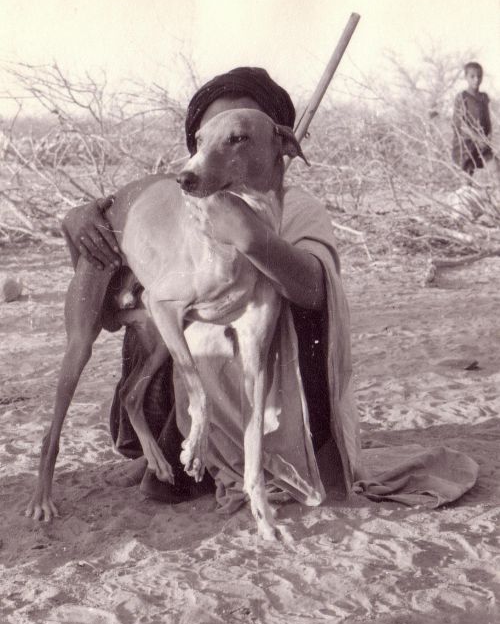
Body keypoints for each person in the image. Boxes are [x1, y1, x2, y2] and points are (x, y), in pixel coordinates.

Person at [62, 66, 478, 512]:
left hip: (274, 397)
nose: (222, 147)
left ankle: (250, 453)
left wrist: (255, 240)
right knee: (156, 298)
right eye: (208, 138)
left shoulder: (296, 206)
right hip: (200, 384)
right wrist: (81, 219)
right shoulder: (188, 204)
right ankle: (175, 437)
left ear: (275, 143)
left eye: (239, 136)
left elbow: (317, 290)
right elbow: (114, 288)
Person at [452, 61, 493, 177]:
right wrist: (477, 138)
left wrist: (488, 137)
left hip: (483, 145)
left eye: (479, 76)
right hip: (465, 146)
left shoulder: (484, 97)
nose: (476, 79)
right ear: (466, 77)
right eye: (472, 76)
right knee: (467, 181)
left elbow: (487, 120)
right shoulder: (462, 97)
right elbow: (460, 125)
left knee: (496, 171)